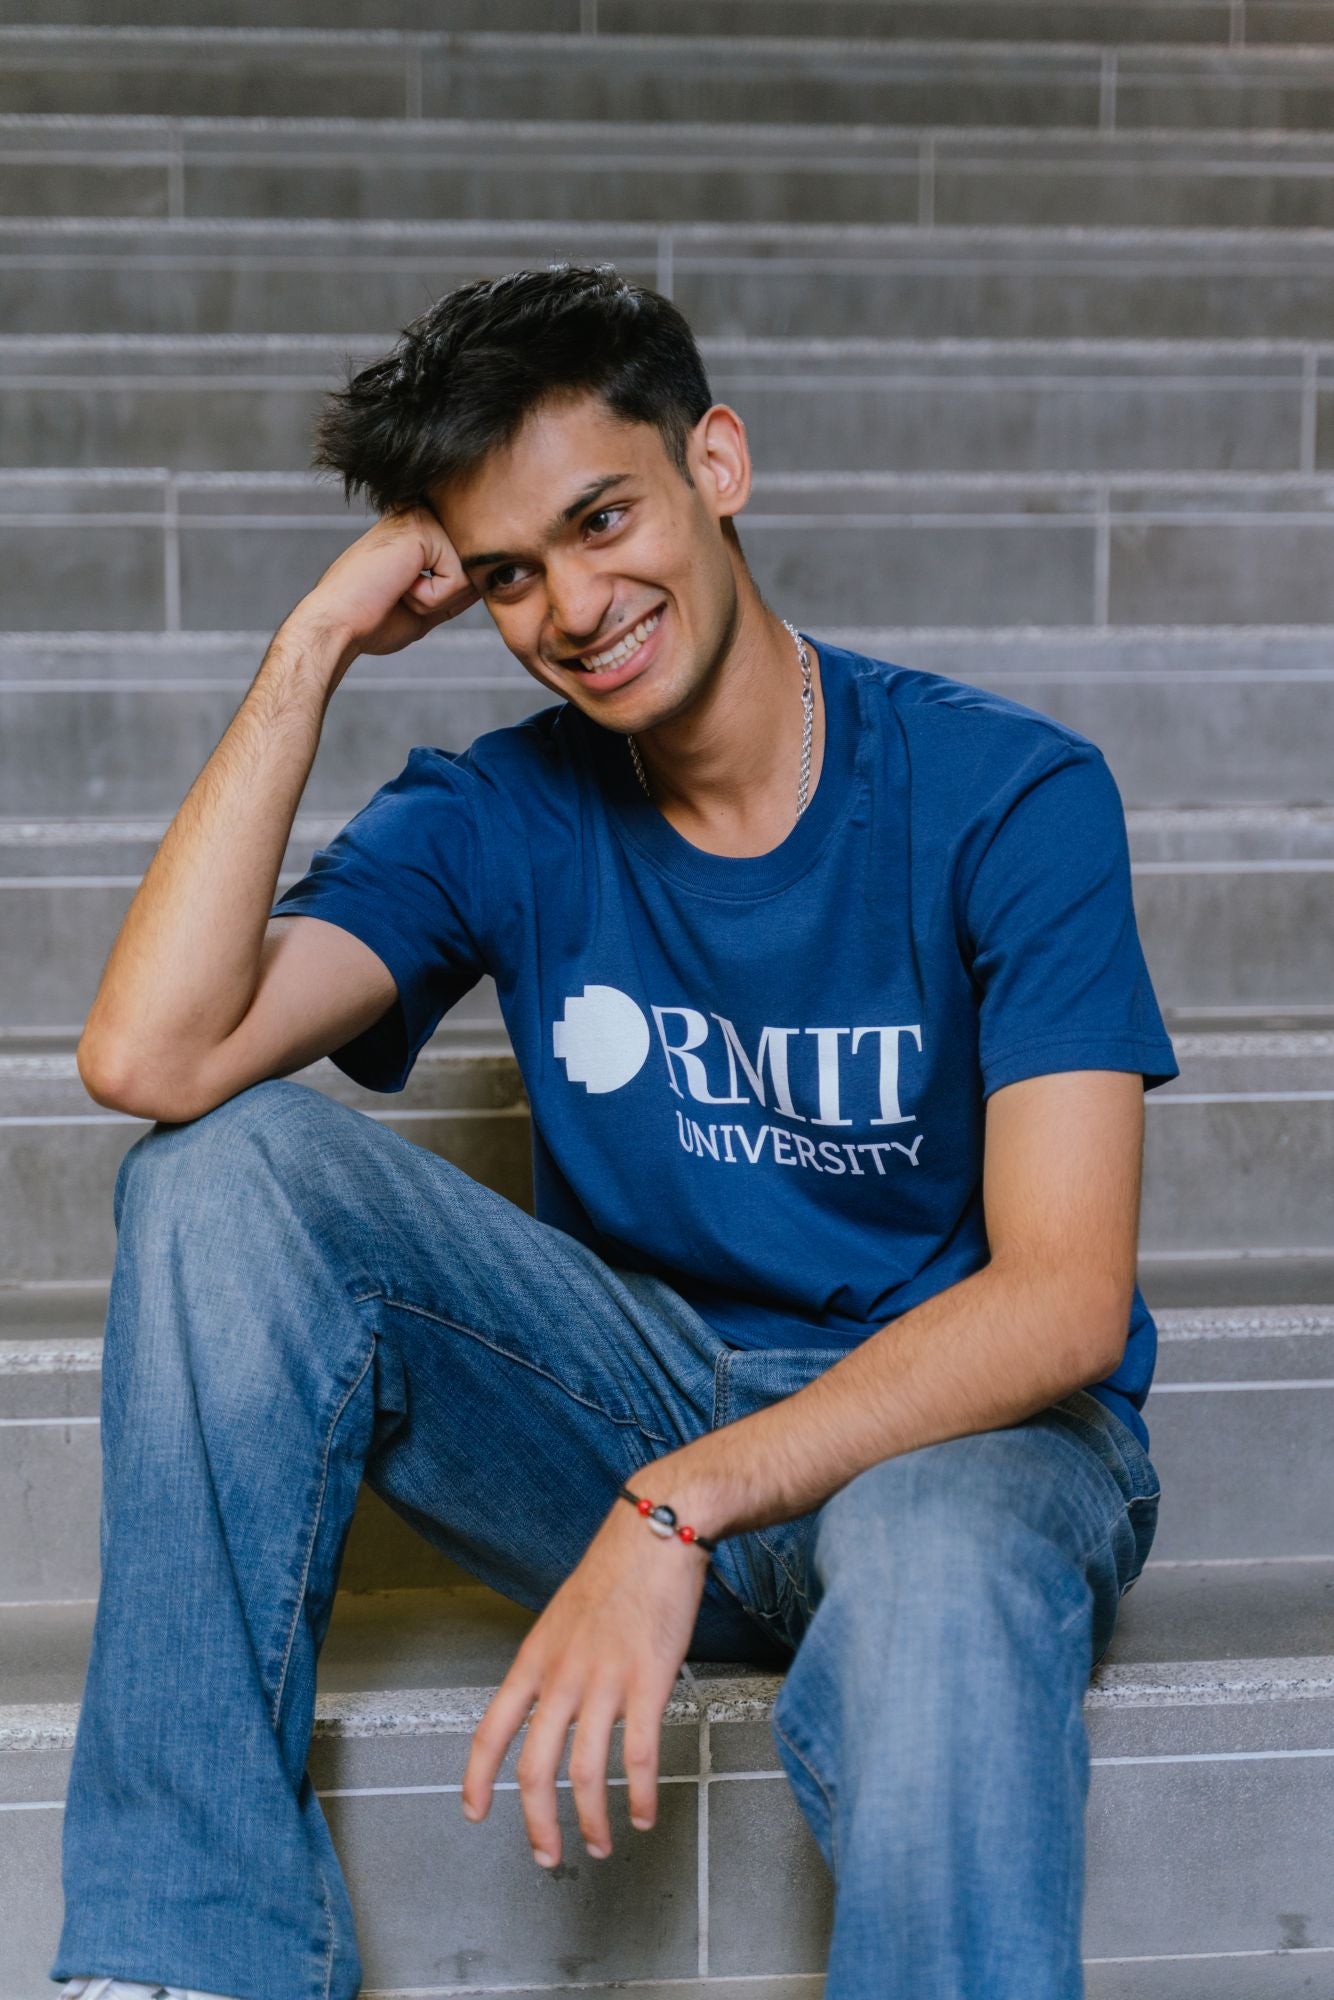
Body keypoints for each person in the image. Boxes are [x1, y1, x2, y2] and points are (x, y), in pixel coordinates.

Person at [55, 263, 1178, 2000]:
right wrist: (314, 647)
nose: (574, 607)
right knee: (216, 1171)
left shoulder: (1005, 796)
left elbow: (1058, 1303)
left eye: (602, 520)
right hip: (642, 1405)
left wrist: (672, 1512)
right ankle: (187, 1958)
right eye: (508, 573)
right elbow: (154, 1052)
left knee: (940, 1566)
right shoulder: (502, 811)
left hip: (960, 1442)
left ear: (714, 463)